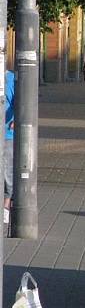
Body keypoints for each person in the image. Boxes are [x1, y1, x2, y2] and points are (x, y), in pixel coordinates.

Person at [4, 69, 14, 226]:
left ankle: (6, 205)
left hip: (7, 133)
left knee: (6, 169)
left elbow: (21, 101)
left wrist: (16, 119)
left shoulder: (11, 78)